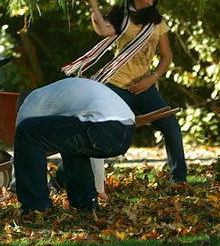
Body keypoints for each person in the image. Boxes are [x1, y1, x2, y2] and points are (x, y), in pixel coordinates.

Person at [62, 0, 187, 183]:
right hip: (115, 86)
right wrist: (93, 2)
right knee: (98, 131)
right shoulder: (122, 16)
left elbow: (166, 56)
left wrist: (152, 78)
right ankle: (61, 179)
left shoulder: (156, 21)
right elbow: (104, 31)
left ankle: (179, 181)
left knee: (171, 127)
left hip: (144, 87)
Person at [12, 77, 136, 213]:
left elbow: (21, 147)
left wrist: (15, 187)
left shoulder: (31, 102)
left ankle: (36, 206)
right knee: (70, 143)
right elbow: (91, 148)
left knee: (26, 131)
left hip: (104, 125)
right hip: (125, 129)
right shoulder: (59, 100)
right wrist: (99, 188)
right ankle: (85, 202)